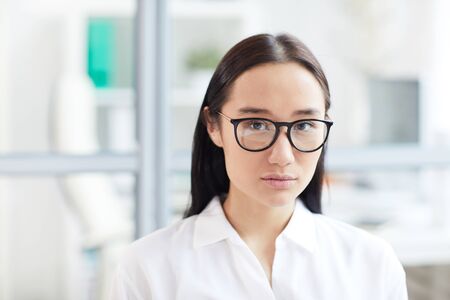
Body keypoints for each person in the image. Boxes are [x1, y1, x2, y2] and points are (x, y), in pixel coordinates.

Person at [110, 33, 408, 299]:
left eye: (304, 124)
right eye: (256, 124)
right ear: (213, 125)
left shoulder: (370, 263)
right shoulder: (149, 267)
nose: (282, 156)